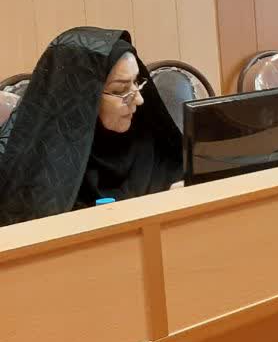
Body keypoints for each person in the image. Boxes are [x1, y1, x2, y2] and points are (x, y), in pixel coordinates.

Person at [0, 28, 183, 227]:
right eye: (120, 89)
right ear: (81, 99)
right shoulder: (40, 173)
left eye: (137, 83)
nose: (139, 100)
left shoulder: (150, 142)